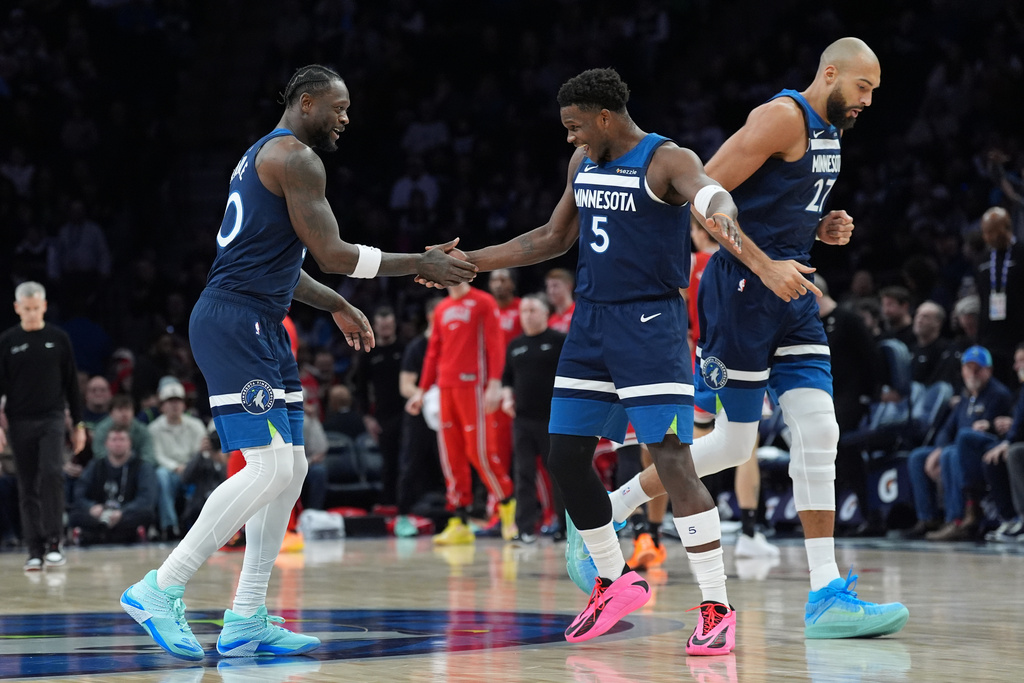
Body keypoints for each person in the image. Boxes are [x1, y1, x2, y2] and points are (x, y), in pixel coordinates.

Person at [120, 64, 476, 661]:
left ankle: (247, 617)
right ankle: (161, 586)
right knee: (264, 467)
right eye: (337, 107)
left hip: (259, 319)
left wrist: (337, 303)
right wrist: (421, 261)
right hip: (234, 320)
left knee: (290, 468)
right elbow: (334, 253)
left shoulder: (263, 155)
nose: (345, 119)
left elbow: (283, 264)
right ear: (305, 102)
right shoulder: (298, 159)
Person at [575, 40, 910, 640]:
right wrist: (764, 264)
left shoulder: (832, 130)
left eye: (873, 93)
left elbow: (782, 203)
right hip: (741, 293)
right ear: (828, 73)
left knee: (820, 431)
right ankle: (610, 510)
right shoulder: (780, 117)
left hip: (793, 291)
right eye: (862, 87)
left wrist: (822, 226)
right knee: (731, 444)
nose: (867, 101)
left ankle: (826, 595)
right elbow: (699, 203)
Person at [443, 67, 743, 652]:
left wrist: (720, 209)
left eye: (576, 126)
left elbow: (709, 191)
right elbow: (552, 238)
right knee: (565, 456)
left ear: (604, 117)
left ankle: (716, 605)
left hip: (651, 326)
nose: (571, 137)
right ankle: (614, 579)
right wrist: (472, 261)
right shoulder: (584, 163)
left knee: (673, 461)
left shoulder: (665, 160)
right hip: (590, 323)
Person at [405, 282, 516, 545]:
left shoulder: (483, 302)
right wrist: (421, 391)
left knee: (480, 452)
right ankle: (459, 520)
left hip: (473, 385)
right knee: (450, 456)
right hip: (445, 388)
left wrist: (495, 382)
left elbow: (495, 344)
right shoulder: (442, 308)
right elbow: (433, 353)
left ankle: (508, 510)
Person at [0, 281, 86, 571]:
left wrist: (79, 424)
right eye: (27, 309)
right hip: (19, 421)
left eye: (37, 308)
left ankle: (54, 542)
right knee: (27, 483)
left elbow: (72, 385)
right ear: (17, 308)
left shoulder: (58, 338)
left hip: (52, 418)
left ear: (45, 306)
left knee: (51, 473)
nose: (32, 314)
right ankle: (33, 549)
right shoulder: (8, 341)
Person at [905, 346, 1014, 540]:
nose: (972, 373)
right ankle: (928, 517)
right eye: (968, 368)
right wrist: (937, 450)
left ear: (988, 370)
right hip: (957, 447)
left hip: (982, 452)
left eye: (977, 368)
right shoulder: (965, 397)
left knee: (952, 452)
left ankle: (956, 520)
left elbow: (990, 432)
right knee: (917, 457)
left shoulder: (998, 394)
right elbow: (947, 429)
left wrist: (945, 450)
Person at [500, 294, 566, 543]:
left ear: (545, 313)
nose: (527, 314)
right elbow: (507, 378)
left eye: (532, 310)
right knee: (523, 474)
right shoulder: (515, 345)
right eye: (524, 310)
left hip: (553, 419)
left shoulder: (559, 340)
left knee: (558, 473)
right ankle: (525, 528)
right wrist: (507, 398)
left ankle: (564, 526)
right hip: (523, 420)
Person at [350, 306, 405, 509]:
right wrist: (367, 417)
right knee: (389, 462)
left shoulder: (404, 349)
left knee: (409, 459)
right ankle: (390, 503)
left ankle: (409, 502)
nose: (386, 329)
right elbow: (360, 389)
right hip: (383, 416)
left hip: (407, 414)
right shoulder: (368, 355)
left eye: (389, 325)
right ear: (374, 326)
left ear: (394, 325)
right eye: (382, 326)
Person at [69, 426, 157, 546]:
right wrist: (91, 507)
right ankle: (96, 534)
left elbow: (146, 498)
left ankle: (117, 534)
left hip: (125, 514)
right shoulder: (95, 465)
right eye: (114, 439)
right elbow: (79, 493)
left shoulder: (141, 466)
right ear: (106, 443)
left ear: (129, 443)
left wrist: (123, 512)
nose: (118, 443)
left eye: (122, 439)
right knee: (75, 515)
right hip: (99, 514)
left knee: (146, 514)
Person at [148, 378, 208, 540]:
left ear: (184, 405)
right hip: (171, 472)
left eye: (178, 401)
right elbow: (157, 456)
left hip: (193, 470)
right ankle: (170, 526)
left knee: (207, 471)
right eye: (169, 401)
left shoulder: (196, 425)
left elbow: (201, 452)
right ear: (162, 406)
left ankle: (203, 526)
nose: (174, 405)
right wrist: (176, 467)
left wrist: (188, 467)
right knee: (161, 475)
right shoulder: (153, 429)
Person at [975, 207, 1024, 387]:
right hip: (991, 335)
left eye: (991, 232)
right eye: (985, 232)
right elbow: (982, 297)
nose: (987, 237)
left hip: (1018, 334)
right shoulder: (981, 259)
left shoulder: (1021, 253)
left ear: (1006, 228)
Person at [545, 268, 576, 333]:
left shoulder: (578, 312)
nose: (551, 291)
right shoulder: (549, 321)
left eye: (555, 286)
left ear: (569, 286)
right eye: (548, 286)